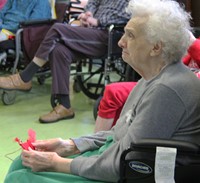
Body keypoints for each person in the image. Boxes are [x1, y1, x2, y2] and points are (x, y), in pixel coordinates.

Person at [4, 0, 200, 182]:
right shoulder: (152, 78)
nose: (121, 42)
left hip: (131, 172)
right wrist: (70, 144)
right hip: (119, 159)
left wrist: (56, 163)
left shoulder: (166, 90)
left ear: (156, 47)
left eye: (130, 35)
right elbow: (118, 133)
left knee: (21, 177)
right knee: (21, 163)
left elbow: (121, 162)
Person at [0, 0, 131, 123]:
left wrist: (97, 21)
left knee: (57, 29)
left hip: (110, 36)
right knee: (59, 50)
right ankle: (64, 106)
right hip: (92, 31)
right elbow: (93, 2)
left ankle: (25, 77)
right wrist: (87, 14)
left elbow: (127, 14)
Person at [94, 36, 200, 132]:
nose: (121, 42)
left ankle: (103, 141)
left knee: (115, 92)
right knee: (114, 92)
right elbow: (178, 64)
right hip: (168, 80)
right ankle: (103, 140)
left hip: (180, 90)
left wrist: (192, 42)